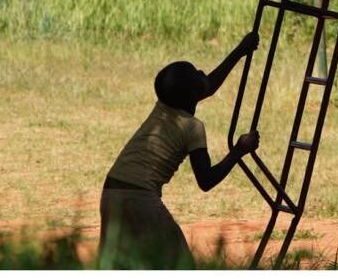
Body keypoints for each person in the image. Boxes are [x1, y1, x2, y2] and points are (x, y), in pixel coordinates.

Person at [99, 31, 260, 268]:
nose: (202, 72)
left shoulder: (164, 107)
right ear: (194, 94)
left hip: (111, 191)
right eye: (197, 73)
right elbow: (206, 181)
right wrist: (239, 150)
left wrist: (241, 50)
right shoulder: (193, 128)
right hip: (140, 198)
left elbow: (208, 86)